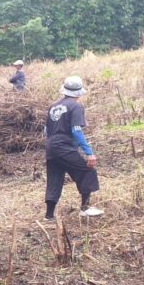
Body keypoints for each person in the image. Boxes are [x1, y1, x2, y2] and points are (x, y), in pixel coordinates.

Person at [44, 76, 103, 220]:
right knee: (87, 170)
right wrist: (89, 153)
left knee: (54, 178)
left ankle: (49, 216)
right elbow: (76, 130)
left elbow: (45, 131)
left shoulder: (53, 106)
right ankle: (85, 208)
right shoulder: (75, 106)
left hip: (51, 147)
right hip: (64, 147)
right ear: (79, 92)